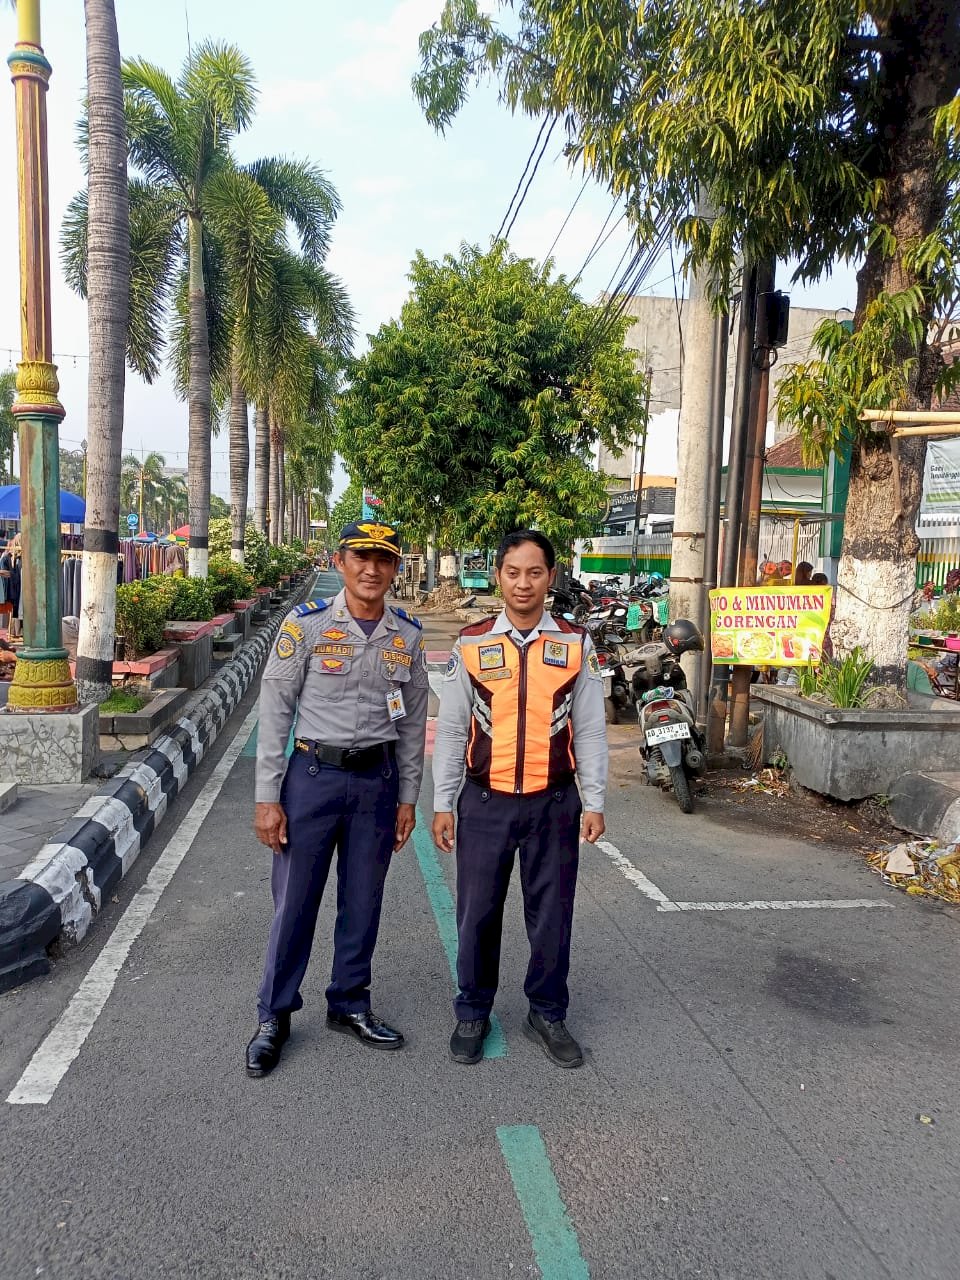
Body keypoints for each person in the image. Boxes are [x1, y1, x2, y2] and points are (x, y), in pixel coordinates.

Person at [246, 521, 429, 1078]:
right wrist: (266, 798)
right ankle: (274, 1015)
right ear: (340, 561)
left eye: (384, 559)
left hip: (376, 782)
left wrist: (408, 797)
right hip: (311, 778)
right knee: (295, 902)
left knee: (364, 899)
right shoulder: (304, 628)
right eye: (361, 557)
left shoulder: (408, 636)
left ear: (396, 568)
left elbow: (414, 723)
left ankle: (349, 1001)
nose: (372, 568)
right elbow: (275, 714)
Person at [432, 530, 608, 1070]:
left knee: (552, 915)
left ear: (551, 577)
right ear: (498, 576)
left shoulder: (575, 644)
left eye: (535, 572)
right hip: (485, 804)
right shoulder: (473, 642)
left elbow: (593, 727)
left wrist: (594, 799)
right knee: (477, 914)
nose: (524, 583)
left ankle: (548, 1011)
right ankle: (473, 1011)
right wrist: (444, 802)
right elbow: (454, 726)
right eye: (513, 572)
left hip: (553, 805)